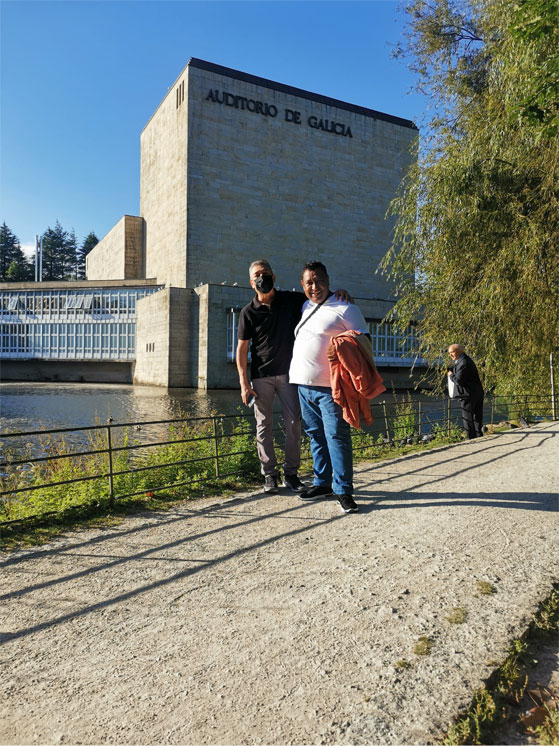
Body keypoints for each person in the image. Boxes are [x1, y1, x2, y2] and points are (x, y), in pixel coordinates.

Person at [236, 260, 351, 495]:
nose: (262, 277)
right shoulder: (248, 312)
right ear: (251, 282)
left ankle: (291, 473)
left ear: (274, 276)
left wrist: (340, 294)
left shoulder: (292, 300)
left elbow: (319, 299)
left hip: (291, 375)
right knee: (263, 426)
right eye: (257, 275)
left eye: (265, 273)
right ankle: (269, 474)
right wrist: (243, 382)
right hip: (261, 377)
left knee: (294, 425)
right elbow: (241, 349)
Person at [289, 261, 369, 514]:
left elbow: (364, 341)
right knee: (315, 434)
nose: (315, 287)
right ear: (302, 285)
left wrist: (344, 346)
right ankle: (322, 482)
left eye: (319, 281)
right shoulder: (304, 306)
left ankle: (344, 490)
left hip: (331, 387)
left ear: (328, 280)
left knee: (337, 436)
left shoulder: (345, 306)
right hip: (303, 385)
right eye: (309, 282)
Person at [447, 344, 484, 439]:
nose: (450, 355)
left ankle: (471, 438)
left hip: (468, 395)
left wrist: (451, 375)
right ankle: (478, 435)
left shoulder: (463, 363)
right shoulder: (466, 360)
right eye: (449, 353)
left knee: (467, 418)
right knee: (477, 417)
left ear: (458, 351)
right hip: (477, 393)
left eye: (452, 352)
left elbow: (459, 380)